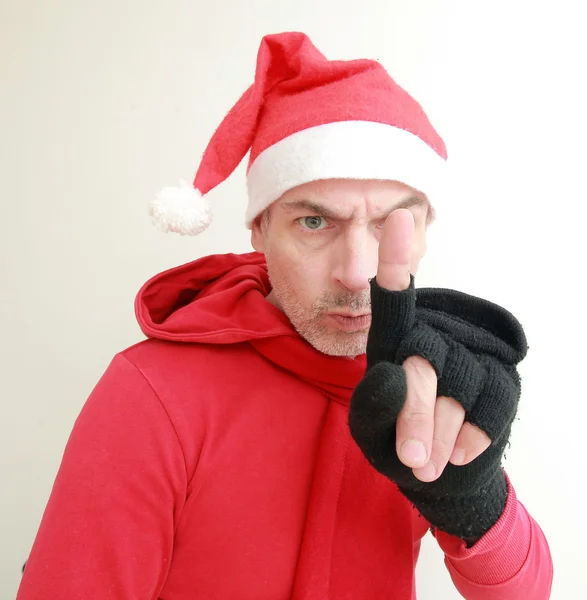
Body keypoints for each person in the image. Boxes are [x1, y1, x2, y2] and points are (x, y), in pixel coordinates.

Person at [17, 31, 553, 599]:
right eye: (315, 222)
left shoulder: (422, 377)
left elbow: (525, 592)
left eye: (391, 223)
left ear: (423, 231)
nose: (356, 272)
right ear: (259, 228)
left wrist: (473, 498)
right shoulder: (152, 392)